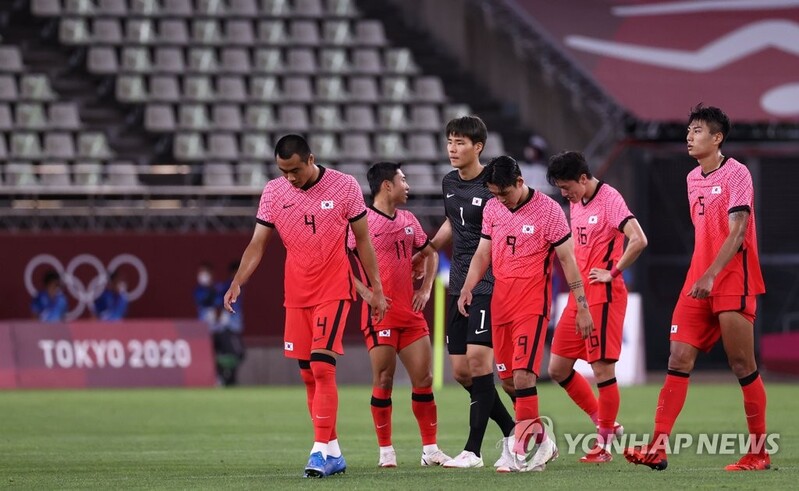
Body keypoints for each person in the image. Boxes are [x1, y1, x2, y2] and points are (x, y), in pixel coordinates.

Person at [223, 134, 388, 478]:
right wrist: (238, 280)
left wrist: (376, 288)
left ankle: (317, 452)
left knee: (322, 366)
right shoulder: (273, 192)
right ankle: (334, 452)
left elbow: (362, 241)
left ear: (310, 159)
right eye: (284, 172)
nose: (291, 178)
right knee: (307, 374)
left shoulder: (344, 186)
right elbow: (258, 244)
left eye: (295, 170)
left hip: (334, 288)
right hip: (296, 293)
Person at [624, 104, 768, 471]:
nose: (690, 136)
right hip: (698, 277)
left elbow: (737, 232)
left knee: (741, 364)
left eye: (698, 131)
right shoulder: (691, 178)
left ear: (717, 138)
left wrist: (712, 275)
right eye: (688, 130)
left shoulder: (737, 174)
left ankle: (758, 453)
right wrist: (701, 273)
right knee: (678, 359)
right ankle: (656, 448)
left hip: (733, 275)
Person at [458, 155, 594, 472]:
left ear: (519, 182)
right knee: (507, 381)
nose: (499, 200)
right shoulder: (493, 208)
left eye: (503, 193)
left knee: (523, 376)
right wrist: (468, 287)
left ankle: (519, 452)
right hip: (500, 304)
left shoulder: (549, 212)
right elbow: (482, 252)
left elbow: (569, 260)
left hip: (531, 305)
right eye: (494, 194)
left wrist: (582, 306)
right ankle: (543, 443)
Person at [419, 116, 516, 470]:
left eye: (460, 143)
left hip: (489, 284)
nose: (452, 149)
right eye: (449, 142)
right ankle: (519, 432)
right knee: (461, 372)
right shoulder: (449, 182)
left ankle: (472, 451)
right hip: (458, 285)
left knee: (479, 363)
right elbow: (452, 222)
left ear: (478, 147)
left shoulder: (492, 186)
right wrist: (428, 249)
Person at [546, 151, 648, 463]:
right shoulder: (576, 203)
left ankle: (602, 446)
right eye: (561, 189)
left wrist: (613, 271)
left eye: (567, 187)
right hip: (580, 296)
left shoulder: (610, 198)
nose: (565, 194)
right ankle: (605, 424)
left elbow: (639, 239)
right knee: (558, 369)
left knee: (602, 369)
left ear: (583, 178)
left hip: (604, 294)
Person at [347, 162, 451, 468]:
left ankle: (430, 450)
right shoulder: (361, 222)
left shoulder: (409, 220)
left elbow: (430, 252)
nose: (408, 186)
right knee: (384, 379)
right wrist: (366, 293)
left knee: (425, 379)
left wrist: (426, 289)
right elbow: (338, 263)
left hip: (410, 314)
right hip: (380, 315)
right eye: (403, 180)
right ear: (386, 185)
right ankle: (386, 451)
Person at [215, 260, 246, 386]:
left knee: (237, 354)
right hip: (227, 328)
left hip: (235, 328)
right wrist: (221, 320)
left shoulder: (238, 288)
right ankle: (222, 372)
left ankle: (227, 377)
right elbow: (217, 304)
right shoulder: (227, 287)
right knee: (237, 353)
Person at [194, 262, 219, 330]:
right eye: (201, 272)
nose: (203, 274)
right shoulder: (198, 290)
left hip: (220, 328)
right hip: (203, 326)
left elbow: (220, 303)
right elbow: (202, 300)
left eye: (205, 271)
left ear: (211, 273)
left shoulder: (219, 288)